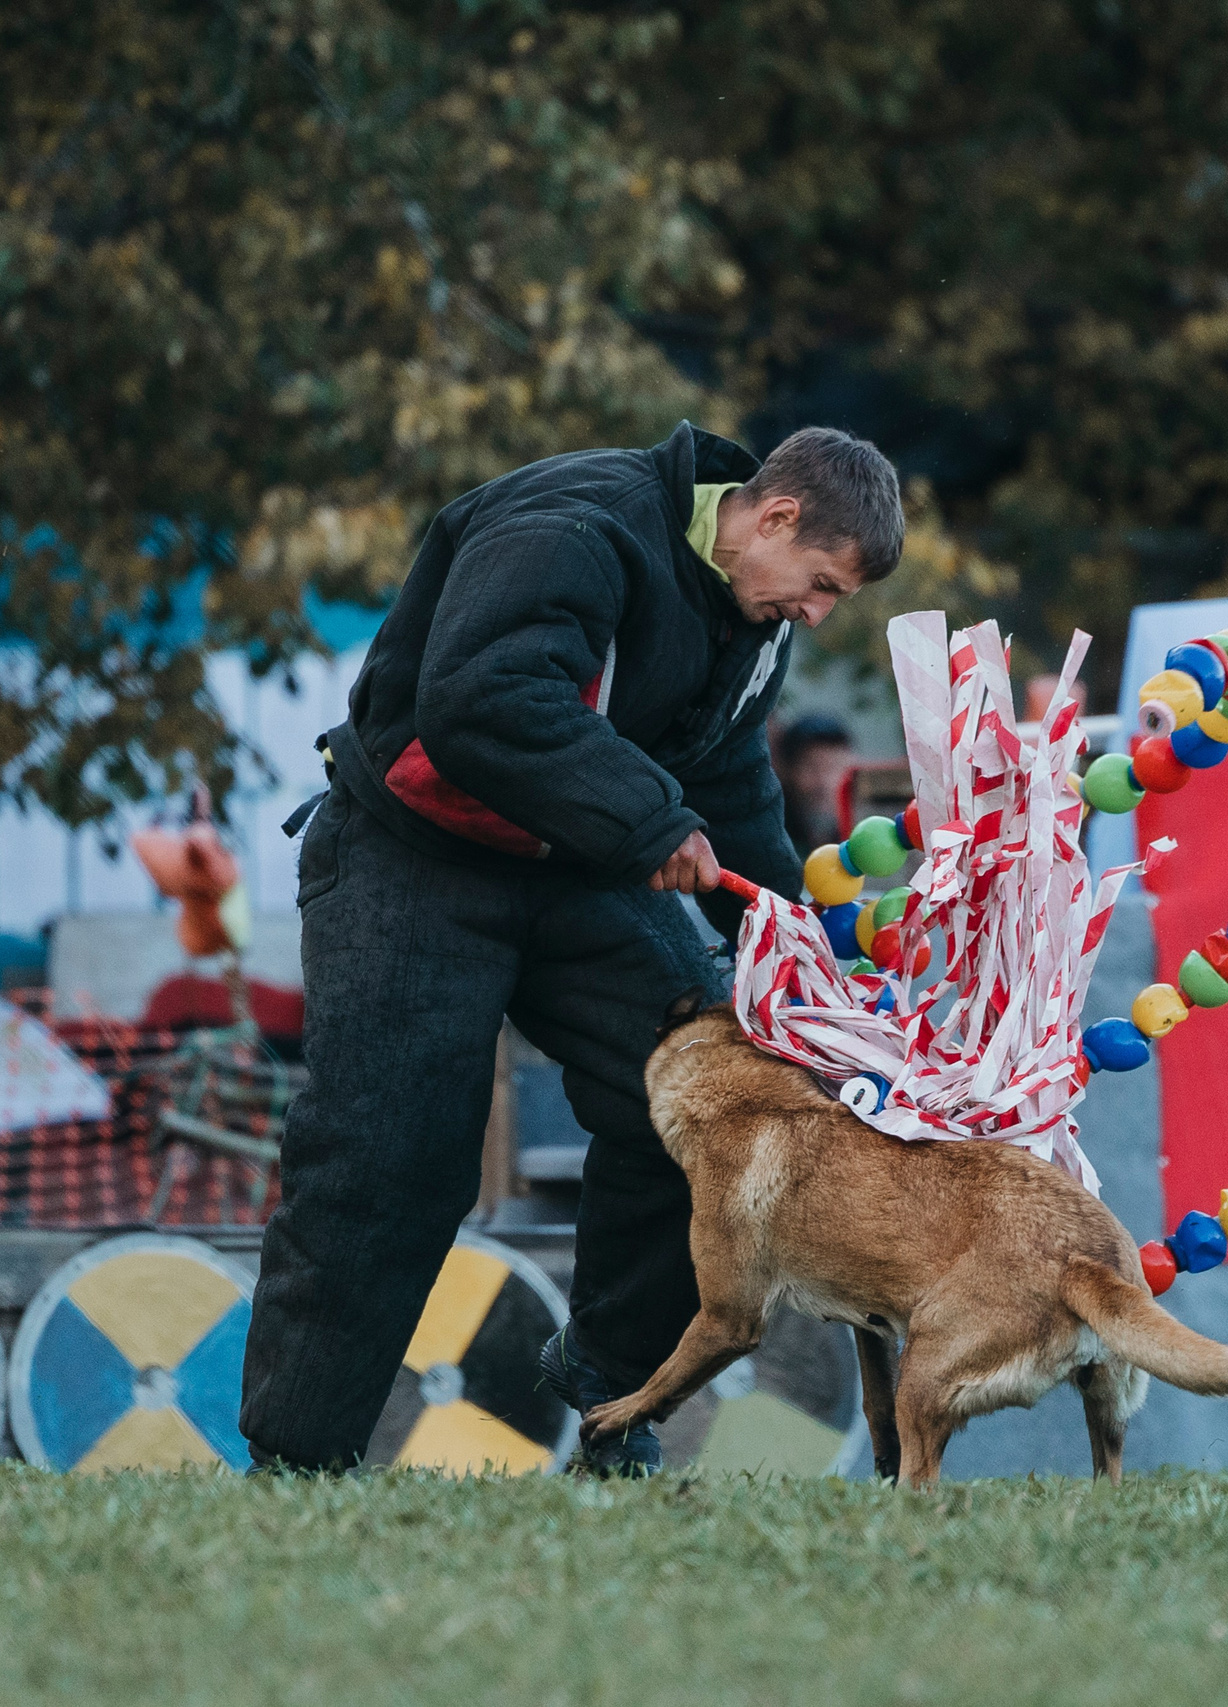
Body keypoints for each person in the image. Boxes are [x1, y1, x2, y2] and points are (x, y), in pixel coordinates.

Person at [240, 422, 904, 1474]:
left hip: (576, 867)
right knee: (389, 1157)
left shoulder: (752, 607)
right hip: (414, 857)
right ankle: (297, 1461)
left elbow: (727, 780)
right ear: (773, 517)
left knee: (723, 1108)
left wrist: (797, 950)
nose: (815, 614)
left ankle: (606, 1383)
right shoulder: (575, 528)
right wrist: (647, 818)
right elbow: (484, 701)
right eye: (818, 583)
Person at [772, 712, 857, 854]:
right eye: (811, 767)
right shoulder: (773, 838)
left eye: (834, 767)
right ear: (787, 771)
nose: (823, 783)